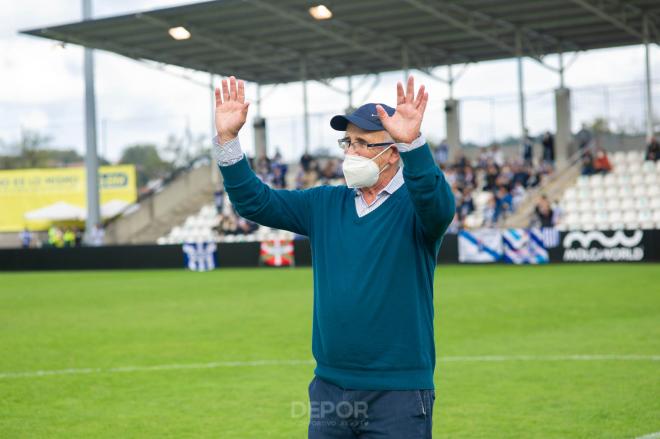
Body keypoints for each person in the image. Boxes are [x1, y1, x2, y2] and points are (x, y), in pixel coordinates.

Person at [213, 76, 454, 438]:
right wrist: (228, 141)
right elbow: (255, 201)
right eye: (348, 142)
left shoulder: (416, 208)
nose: (352, 152)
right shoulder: (324, 203)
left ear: (392, 152)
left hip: (398, 392)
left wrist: (414, 144)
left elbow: (437, 204)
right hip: (330, 388)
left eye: (363, 143)